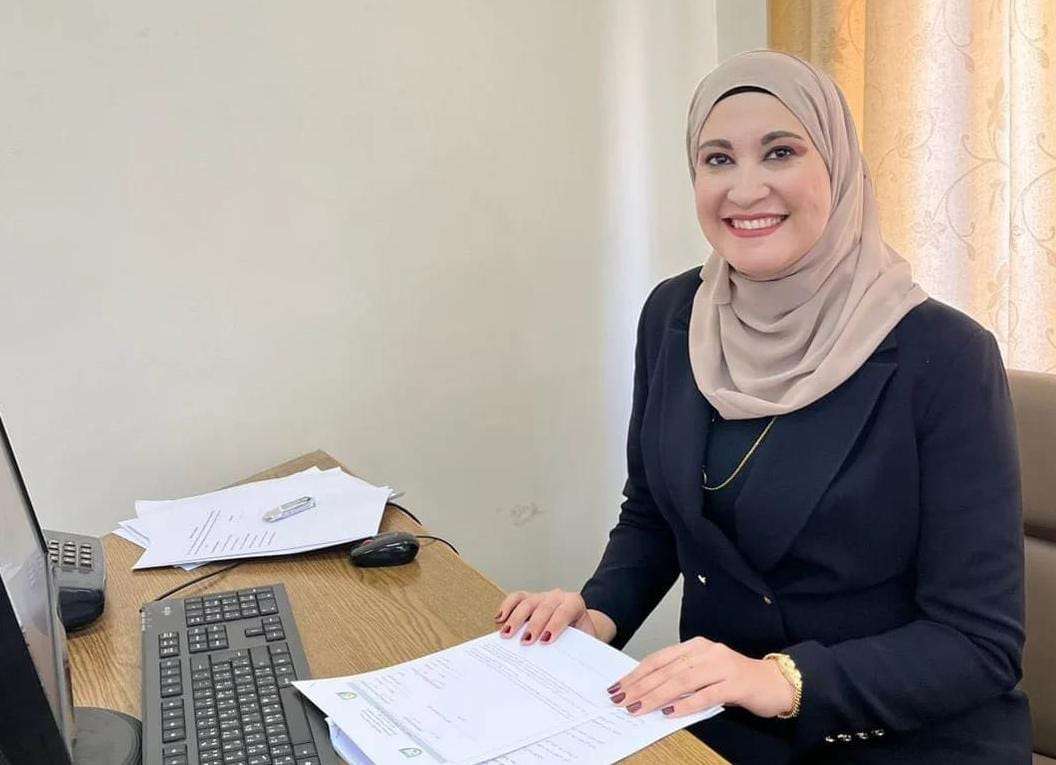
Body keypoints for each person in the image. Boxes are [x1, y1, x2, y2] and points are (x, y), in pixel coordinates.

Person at [494, 50, 1032, 763]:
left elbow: (978, 642)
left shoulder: (946, 356)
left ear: (837, 167)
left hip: (899, 734)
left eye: (780, 151)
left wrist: (779, 679)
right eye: (717, 159)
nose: (745, 190)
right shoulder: (675, 315)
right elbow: (654, 512)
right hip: (723, 724)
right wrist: (596, 616)